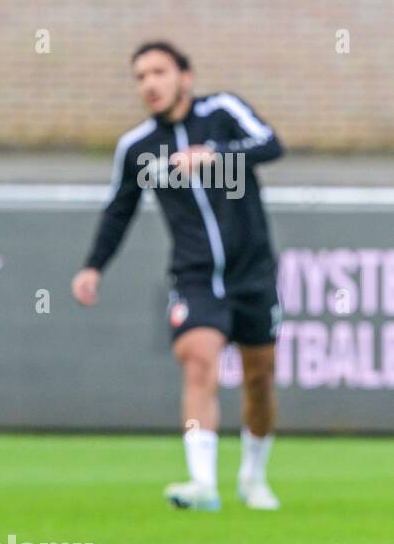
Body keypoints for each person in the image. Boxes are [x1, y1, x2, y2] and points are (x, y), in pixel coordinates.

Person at [72, 41, 283, 512]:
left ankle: (252, 475)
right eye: (140, 76)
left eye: (159, 72)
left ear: (184, 77)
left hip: (253, 272)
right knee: (198, 361)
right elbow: (118, 210)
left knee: (260, 378)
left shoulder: (223, 112)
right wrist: (93, 266)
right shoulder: (138, 148)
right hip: (194, 276)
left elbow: (272, 144)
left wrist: (217, 155)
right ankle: (202, 481)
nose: (149, 84)